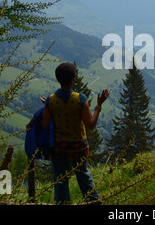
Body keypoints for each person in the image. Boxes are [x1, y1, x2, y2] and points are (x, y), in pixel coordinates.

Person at [40, 62, 109, 204]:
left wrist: (49, 107)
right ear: (73, 79)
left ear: (58, 78)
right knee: (84, 177)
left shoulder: (51, 100)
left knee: (60, 182)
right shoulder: (80, 99)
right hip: (79, 148)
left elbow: (44, 124)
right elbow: (90, 124)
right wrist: (98, 105)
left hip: (59, 150)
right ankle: (95, 203)